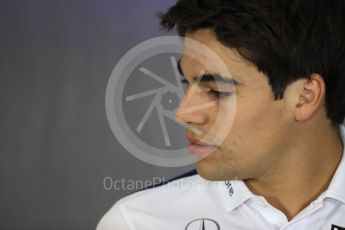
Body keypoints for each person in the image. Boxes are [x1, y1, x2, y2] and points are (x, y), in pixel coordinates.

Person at [97, 0, 345, 229]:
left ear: (305, 96)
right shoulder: (137, 223)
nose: (183, 113)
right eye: (187, 83)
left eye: (216, 91)